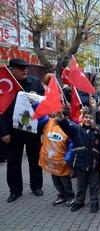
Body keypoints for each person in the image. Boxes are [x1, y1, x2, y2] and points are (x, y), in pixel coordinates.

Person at [0, 58, 45, 202]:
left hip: (32, 130)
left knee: (35, 160)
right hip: (13, 132)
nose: (24, 70)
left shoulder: (35, 82)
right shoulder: (5, 85)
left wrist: (43, 128)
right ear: (12, 70)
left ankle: (36, 186)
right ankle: (15, 190)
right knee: (13, 162)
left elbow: (43, 104)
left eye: (25, 68)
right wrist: (4, 132)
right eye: (20, 68)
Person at [57, 107, 100, 213]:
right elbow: (66, 127)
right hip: (80, 162)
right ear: (82, 118)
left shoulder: (98, 133)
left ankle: (94, 203)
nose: (88, 119)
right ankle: (79, 202)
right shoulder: (76, 129)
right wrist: (61, 118)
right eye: (86, 117)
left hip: (93, 164)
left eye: (90, 118)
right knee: (81, 185)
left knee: (93, 186)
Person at [38, 111, 75, 207]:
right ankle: (62, 195)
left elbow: (71, 146)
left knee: (65, 181)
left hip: (62, 163)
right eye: (57, 115)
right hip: (52, 162)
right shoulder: (49, 122)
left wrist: (67, 159)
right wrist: (35, 103)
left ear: (65, 116)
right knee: (56, 181)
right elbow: (40, 115)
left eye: (60, 115)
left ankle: (70, 197)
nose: (58, 117)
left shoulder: (69, 127)